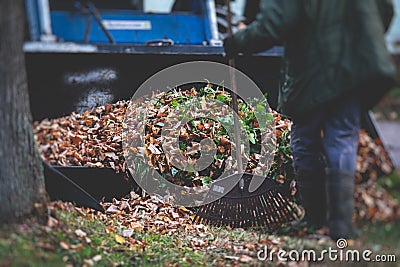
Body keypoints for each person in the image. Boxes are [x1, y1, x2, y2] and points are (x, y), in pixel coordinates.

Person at [224, 0, 398, 239]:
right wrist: (357, 36)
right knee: (342, 139)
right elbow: (386, 10)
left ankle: (315, 220)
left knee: (305, 139)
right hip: (356, 65)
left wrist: (238, 41)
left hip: (313, 66)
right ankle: (340, 225)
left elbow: (276, 23)